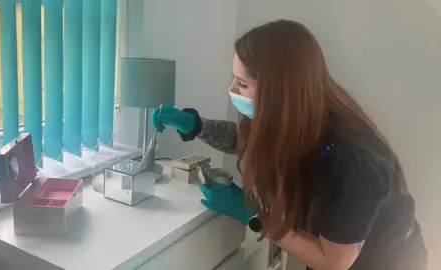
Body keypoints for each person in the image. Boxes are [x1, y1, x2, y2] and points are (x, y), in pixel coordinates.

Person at [151, 20, 428, 270]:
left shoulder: (354, 161)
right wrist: (195, 125)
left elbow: (333, 261)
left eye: (243, 84)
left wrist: (256, 215)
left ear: (278, 91)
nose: (232, 89)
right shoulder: (301, 116)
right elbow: (252, 142)